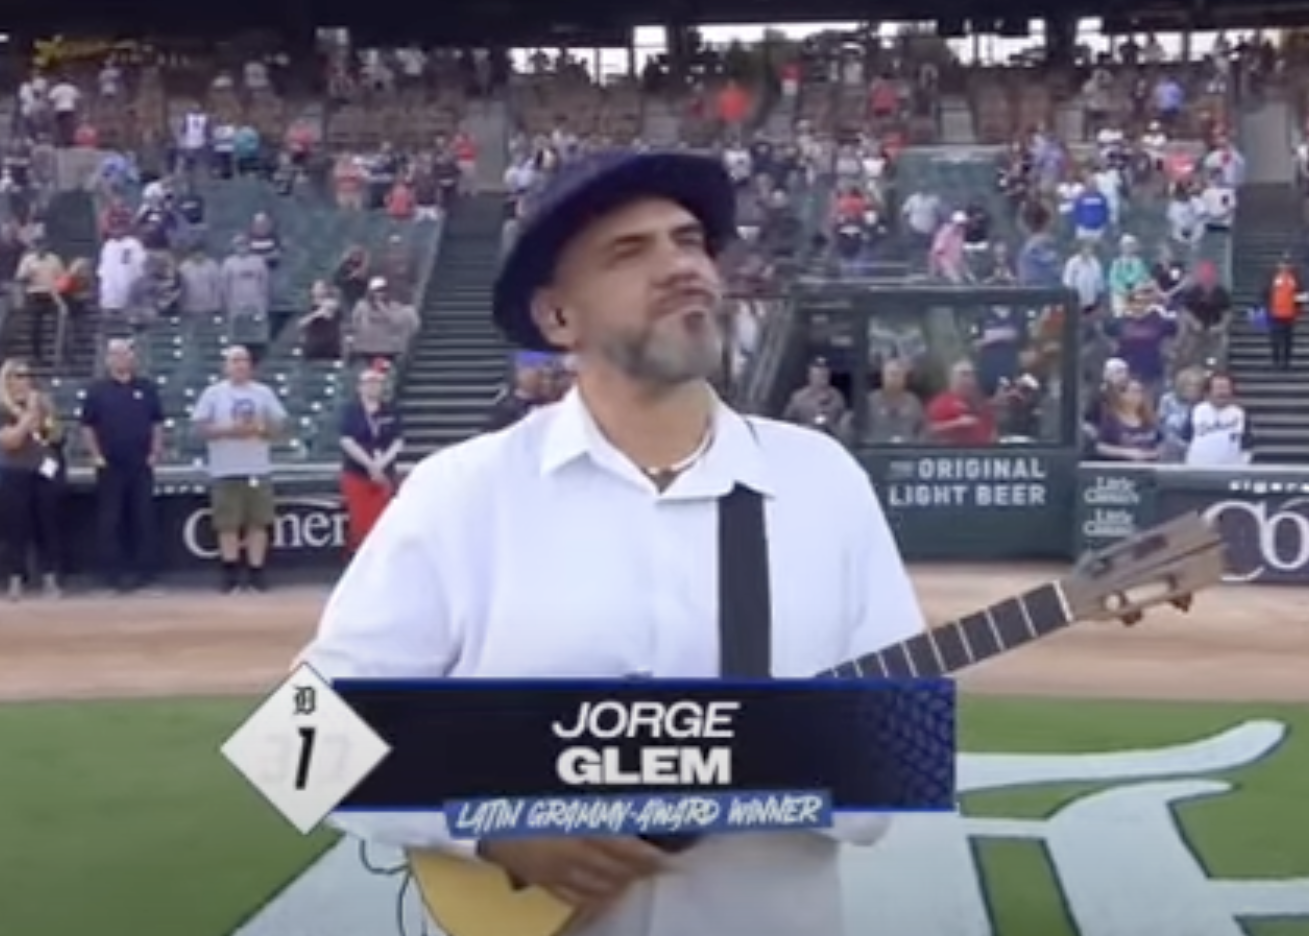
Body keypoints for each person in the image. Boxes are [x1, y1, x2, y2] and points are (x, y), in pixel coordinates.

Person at [295, 150, 924, 936]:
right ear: (559, 317)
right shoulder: (463, 493)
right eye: (630, 252)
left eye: (689, 240)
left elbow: (891, 769)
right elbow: (299, 742)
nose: (681, 265)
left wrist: (744, 758)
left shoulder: (821, 481)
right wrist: (485, 826)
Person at [190, 345, 287, 593]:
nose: (240, 365)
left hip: (258, 467)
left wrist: (261, 430)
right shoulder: (213, 394)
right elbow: (199, 428)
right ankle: (230, 572)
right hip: (224, 469)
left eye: (244, 360)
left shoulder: (263, 393)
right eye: (235, 361)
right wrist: (229, 431)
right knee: (227, 524)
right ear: (226, 366)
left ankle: (256, 572)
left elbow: (280, 426)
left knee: (258, 522)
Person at [80, 339, 165, 593]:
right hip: (110, 465)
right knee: (110, 521)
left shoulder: (147, 388)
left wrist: (155, 451)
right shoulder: (97, 390)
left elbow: (157, 422)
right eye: (115, 354)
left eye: (124, 354)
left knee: (143, 519)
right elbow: (87, 426)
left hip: (141, 464)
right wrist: (96, 455)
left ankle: (145, 576)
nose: (120, 359)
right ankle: (111, 577)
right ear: (108, 360)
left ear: (132, 358)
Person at [0, 359, 67, 600]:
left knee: (48, 524)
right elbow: (9, 441)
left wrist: (46, 418)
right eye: (17, 375)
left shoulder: (44, 403)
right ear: (7, 379)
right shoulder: (2, 409)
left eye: (27, 375)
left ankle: (50, 577)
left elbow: (56, 434)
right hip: (14, 471)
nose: (24, 380)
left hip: (44, 470)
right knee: (16, 527)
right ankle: (16, 578)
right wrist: (27, 416)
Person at [337, 364, 402, 557]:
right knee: (360, 522)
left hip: (385, 475)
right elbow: (347, 440)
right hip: (357, 474)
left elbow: (398, 441)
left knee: (384, 521)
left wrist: (381, 466)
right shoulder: (351, 411)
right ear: (360, 387)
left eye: (378, 382)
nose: (374, 386)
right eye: (369, 382)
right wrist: (370, 465)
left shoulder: (391, 410)